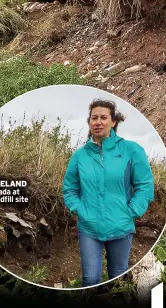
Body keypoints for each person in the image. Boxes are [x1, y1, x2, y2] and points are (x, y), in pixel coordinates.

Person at [63, 99, 154, 287]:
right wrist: (80, 210)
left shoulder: (131, 150)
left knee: (118, 278)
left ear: (113, 121)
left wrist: (132, 211)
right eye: (94, 118)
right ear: (89, 122)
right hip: (89, 227)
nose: (98, 122)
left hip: (121, 226)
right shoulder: (79, 156)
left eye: (103, 117)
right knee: (90, 279)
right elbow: (70, 189)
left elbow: (145, 185)